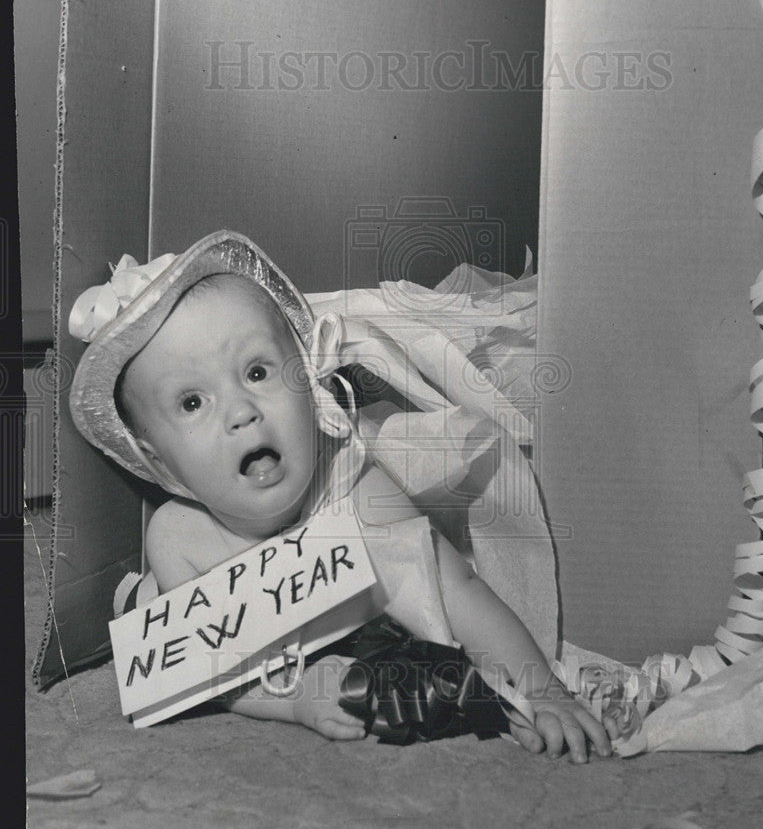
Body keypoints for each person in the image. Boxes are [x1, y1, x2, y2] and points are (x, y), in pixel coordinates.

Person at [69, 230, 617, 761]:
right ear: (158, 458)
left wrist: (539, 688)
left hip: (374, 635)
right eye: (192, 403)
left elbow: (458, 589)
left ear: (309, 379)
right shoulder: (179, 537)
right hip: (280, 655)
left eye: (258, 371)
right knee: (150, 608)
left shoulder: (353, 487)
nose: (241, 411)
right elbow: (211, 671)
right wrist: (296, 699)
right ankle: (142, 597)